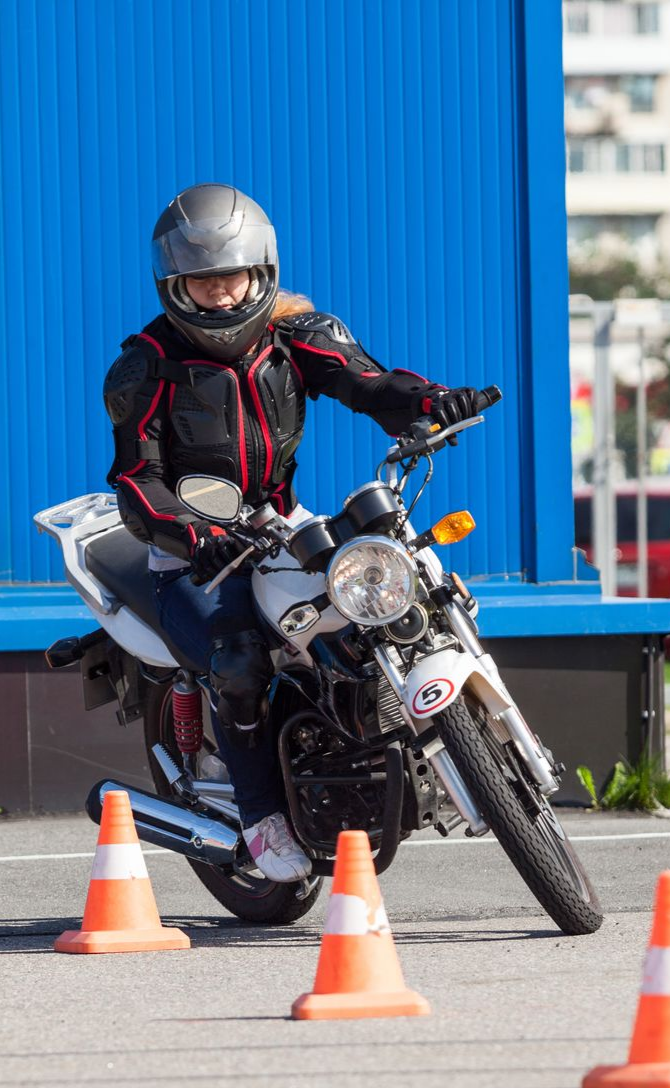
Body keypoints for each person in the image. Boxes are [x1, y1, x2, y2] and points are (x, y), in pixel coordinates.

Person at [104, 183, 480, 883]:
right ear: (173, 285)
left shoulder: (297, 334)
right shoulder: (146, 366)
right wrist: (192, 535)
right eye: (201, 281)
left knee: (396, 586)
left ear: (261, 272)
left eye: (231, 277)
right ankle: (260, 817)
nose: (219, 295)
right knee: (239, 661)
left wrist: (431, 402)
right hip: (192, 550)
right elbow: (136, 481)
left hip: (281, 522)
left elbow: (368, 385)